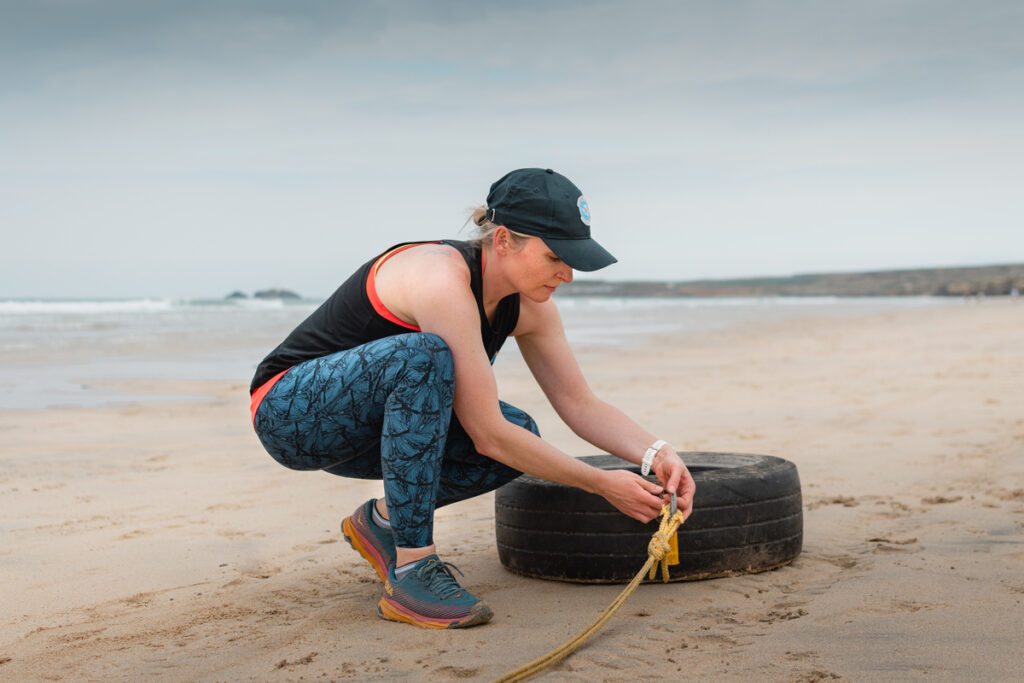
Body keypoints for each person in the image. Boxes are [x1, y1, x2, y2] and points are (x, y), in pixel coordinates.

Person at [249, 168, 696, 629]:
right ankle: (412, 570)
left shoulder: (529, 306)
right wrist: (601, 484)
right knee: (425, 359)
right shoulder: (441, 279)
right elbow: (485, 433)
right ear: (503, 240)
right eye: (555, 257)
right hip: (290, 416)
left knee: (522, 436)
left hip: (374, 434)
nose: (568, 274)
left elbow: (579, 404)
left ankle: (383, 524)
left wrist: (656, 452)